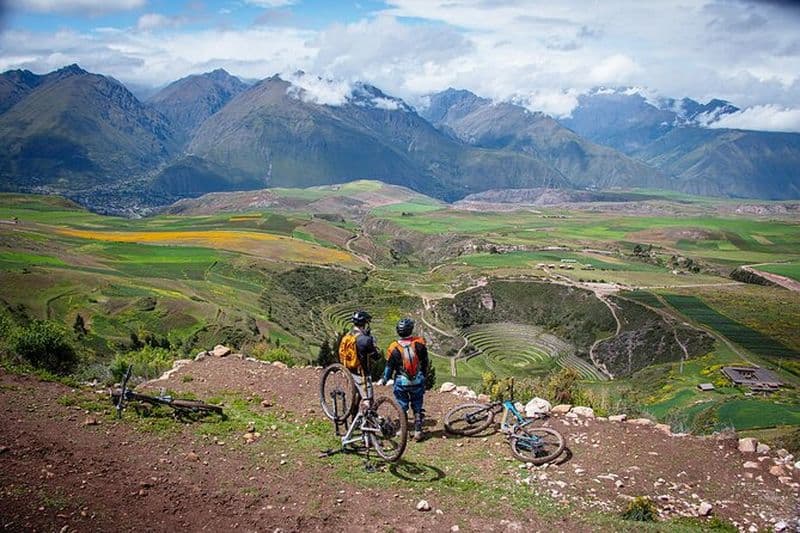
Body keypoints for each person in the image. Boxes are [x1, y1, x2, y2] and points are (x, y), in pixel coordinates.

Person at [379, 317, 429, 441]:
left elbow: (389, 367)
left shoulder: (394, 347)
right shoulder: (419, 343)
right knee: (417, 404)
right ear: (410, 330)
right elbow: (425, 362)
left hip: (401, 382)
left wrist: (384, 379)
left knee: (402, 405)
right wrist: (423, 375)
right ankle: (418, 430)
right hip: (417, 380)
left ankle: (403, 430)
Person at [339, 309, 381, 402]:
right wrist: (372, 344)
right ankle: (363, 414)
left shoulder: (348, 336)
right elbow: (376, 356)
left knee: (357, 397)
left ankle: (355, 415)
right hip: (362, 373)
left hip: (349, 371)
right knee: (368, 400)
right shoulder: (366, 340)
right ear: (365, 324)